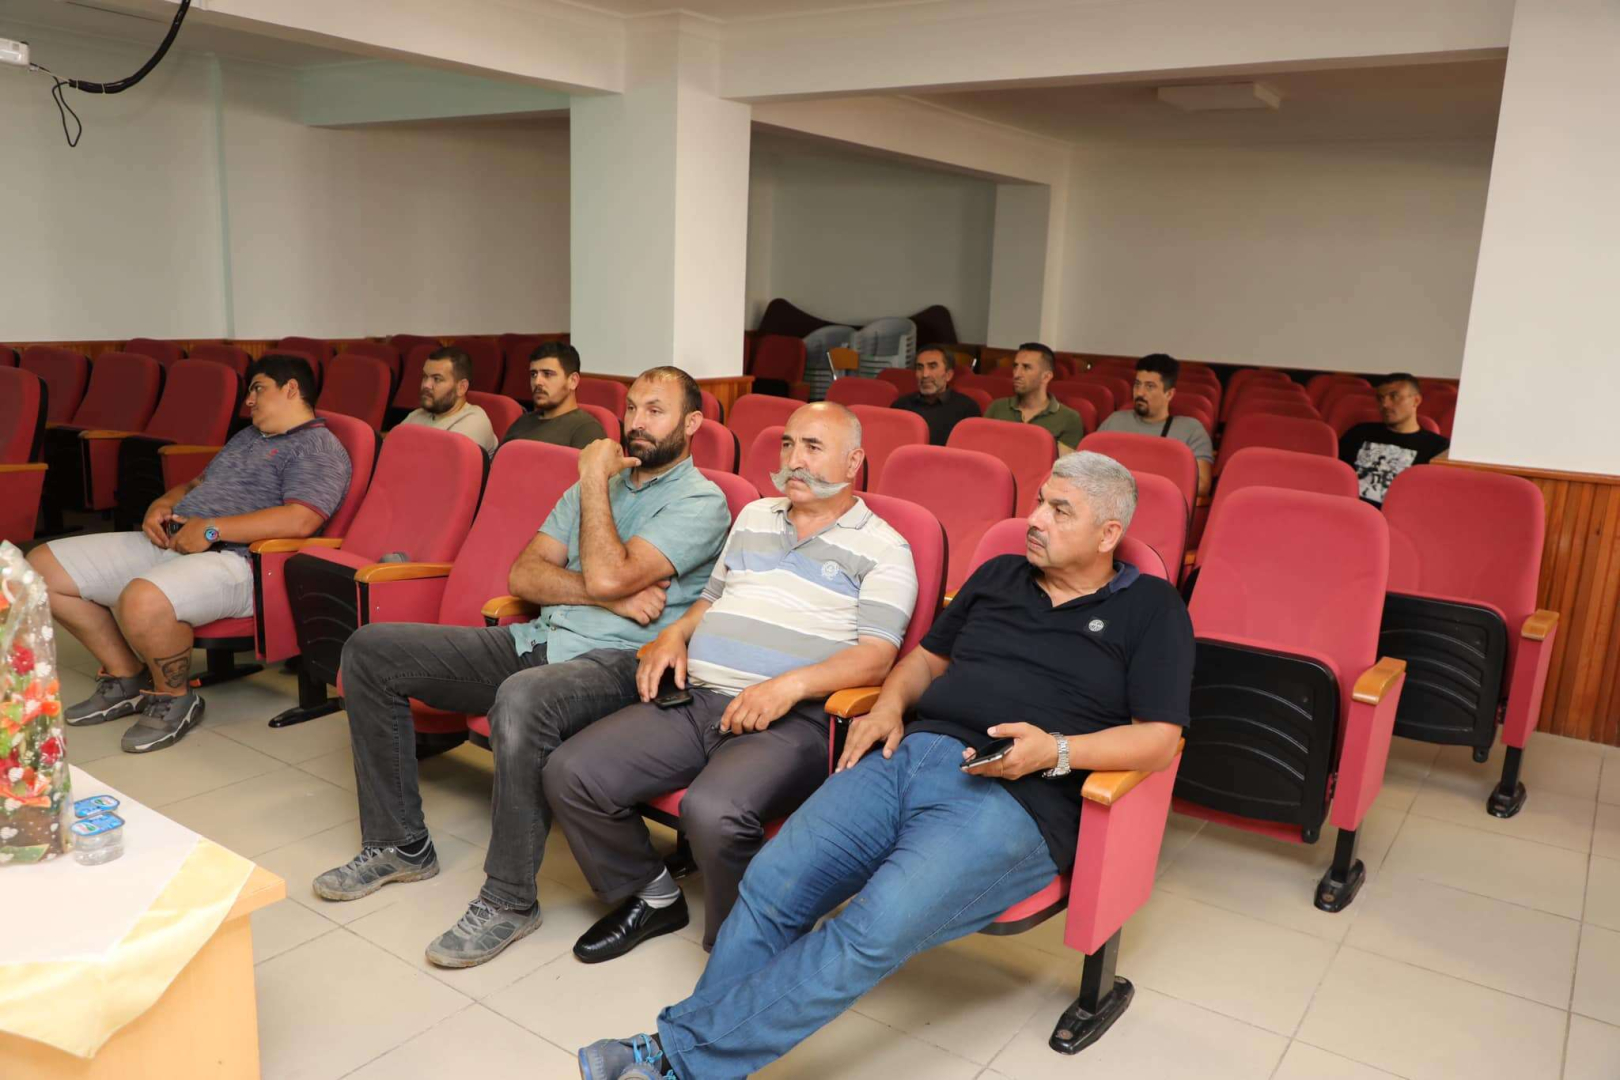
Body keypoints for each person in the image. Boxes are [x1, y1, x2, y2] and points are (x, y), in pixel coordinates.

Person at [577, 450, 1192, 1080]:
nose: (1034, 519)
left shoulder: (1152, 608)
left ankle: (673, 1057)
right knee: (771, 883)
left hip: (1017, 798)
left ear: (1108, 534)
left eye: (1060, 511)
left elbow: (1159, 740)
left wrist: (1057, 750)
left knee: (868, 929)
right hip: (907, 756)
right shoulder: (1000, 574)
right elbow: (925, 660)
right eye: (1039, 501)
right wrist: (890, 706)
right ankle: (689, 1059)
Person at [311, 367, 731, 970]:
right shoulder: (597, 484)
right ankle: (399, 844)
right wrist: (606, 596)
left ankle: (509, 899)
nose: (636, 423)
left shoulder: (699, 501)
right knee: (371, 650)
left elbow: (609, 571)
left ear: (691, 424)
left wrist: (593, 482)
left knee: (522, 698)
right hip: (538, 640)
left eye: (655, 411)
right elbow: (524, 576)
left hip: (620, 664)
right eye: (632, 408)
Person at [545, 402, 918, 964]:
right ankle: (651, 894)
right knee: (571, 771)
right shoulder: (755, 516)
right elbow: (711, 599)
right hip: (699, 696)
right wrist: (675, 635)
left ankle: (741, 950)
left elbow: (876, 658)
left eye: (813, 447)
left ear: (854, 462)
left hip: (795, 718)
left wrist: (787, 687)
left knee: (713, 811)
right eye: (788, 444)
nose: (794, 460)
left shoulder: (885, 547)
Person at [27, 355, 352, 753]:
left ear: (291, 389)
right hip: (177, 539)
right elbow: (197, 483)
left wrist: (213, 529)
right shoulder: (248, 437)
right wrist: (162, 503)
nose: (248, 400)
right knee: (40, 568)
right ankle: (127, 676)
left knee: (142, 601)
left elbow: (301, 519)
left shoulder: (317, 447)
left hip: (240, 561)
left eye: (257, 388)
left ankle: (174, 697)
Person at [1097, 353, 1215, 498]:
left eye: (1150, 386)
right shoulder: (1115, 420)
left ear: (1169, 394)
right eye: (1137, 384)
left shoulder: (1191, 430)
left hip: (1160, 502)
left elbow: (1202, 485)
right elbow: (1086, 464)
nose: (1140, 392)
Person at [1338, 372, 1449, 506]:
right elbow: (1338, 476)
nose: (1385, 404)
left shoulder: (1437, 447)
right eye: (1380, 398)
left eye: (1394, 396)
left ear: (1416, 401)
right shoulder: (1359, 432)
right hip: (1348, 508)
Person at [501, 341, 606, 449]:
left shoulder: (586, 430)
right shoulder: (523, 421)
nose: (537, 382)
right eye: (533, 374)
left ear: (573, 381)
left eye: (547, 374)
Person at [983, 342, 1086, 451]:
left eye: (1026, 367)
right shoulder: (997, 407)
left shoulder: (1069, 418)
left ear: (1046, 377)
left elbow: (1063, 461)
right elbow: (981, 448)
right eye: (1015, 366)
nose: (1016, 374)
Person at [398, 346, 497, 454]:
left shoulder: (474, 422)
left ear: (461, 387)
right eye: (425, 376)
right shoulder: (418, 415)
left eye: (437, 379)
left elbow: (437, 462)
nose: (426, 385)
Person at [889, 345, 980, 445]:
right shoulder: (900, 406)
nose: (925, 374)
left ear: (948, 375)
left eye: (932, 367)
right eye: (920, 367)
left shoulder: (967, 409)